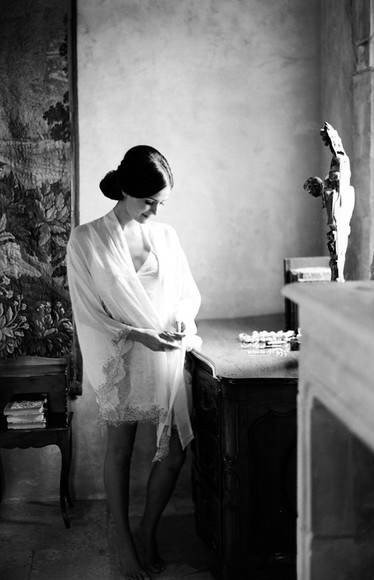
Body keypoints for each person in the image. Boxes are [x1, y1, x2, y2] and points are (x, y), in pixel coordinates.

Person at [66, 145, 201, 580]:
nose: (154, 211)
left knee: (174, 454)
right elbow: (88, 313)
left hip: (164, 357)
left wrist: (180, 319)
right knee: (121, 452)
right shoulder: (86, 239)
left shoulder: (166, 237)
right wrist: (139, 334)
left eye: (161, 203)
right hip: (120, 358)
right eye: (148, 202)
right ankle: (124, 543)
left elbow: (186, 294)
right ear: (125, 190)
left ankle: (148, 531)